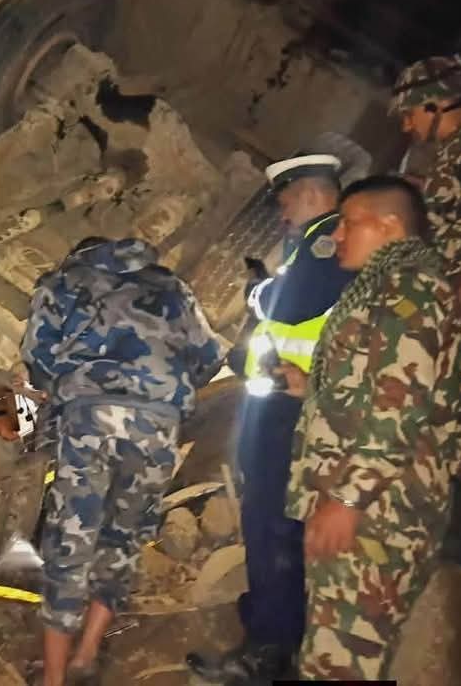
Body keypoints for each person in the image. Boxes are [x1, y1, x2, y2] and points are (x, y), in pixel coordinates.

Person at [281, 175, 461, 680]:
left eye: (348, 223)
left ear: (389, 225)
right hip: (368, 497)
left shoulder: (411, 287)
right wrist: (309, 389)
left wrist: (348, 499)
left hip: (380, 507)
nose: (336, 235)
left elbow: (399, 406)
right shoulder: (384, 287)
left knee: (340, 661)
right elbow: (377, 388)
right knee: (334, 651)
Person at [20, 237, 221, 686]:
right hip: (158, 426)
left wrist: (66, 389)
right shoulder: (172, 287)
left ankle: (53, 678)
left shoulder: (62, 282)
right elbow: (208, 358)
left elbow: (37, 358)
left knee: (71, 543)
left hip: (91, 419)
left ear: (77, 256)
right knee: (124, 538)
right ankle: (86, 656)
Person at [187, 151, 355, 683]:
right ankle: (271, 624)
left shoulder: (327, 244)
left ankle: (268, 650)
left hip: (292, 413)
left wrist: (256, 291)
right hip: (284, 405)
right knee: (272, 526)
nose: (281, 214)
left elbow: (287, 305)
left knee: (272, 527)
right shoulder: (311, 246)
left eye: (285, 202)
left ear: (310, 194)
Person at [389, 56, 461, 568]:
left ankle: (454, 536)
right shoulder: (447, 158)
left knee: (458, 416)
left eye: (410, 113)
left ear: (435, 104)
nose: (408, 125)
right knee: (442, 414)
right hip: (447, 308)